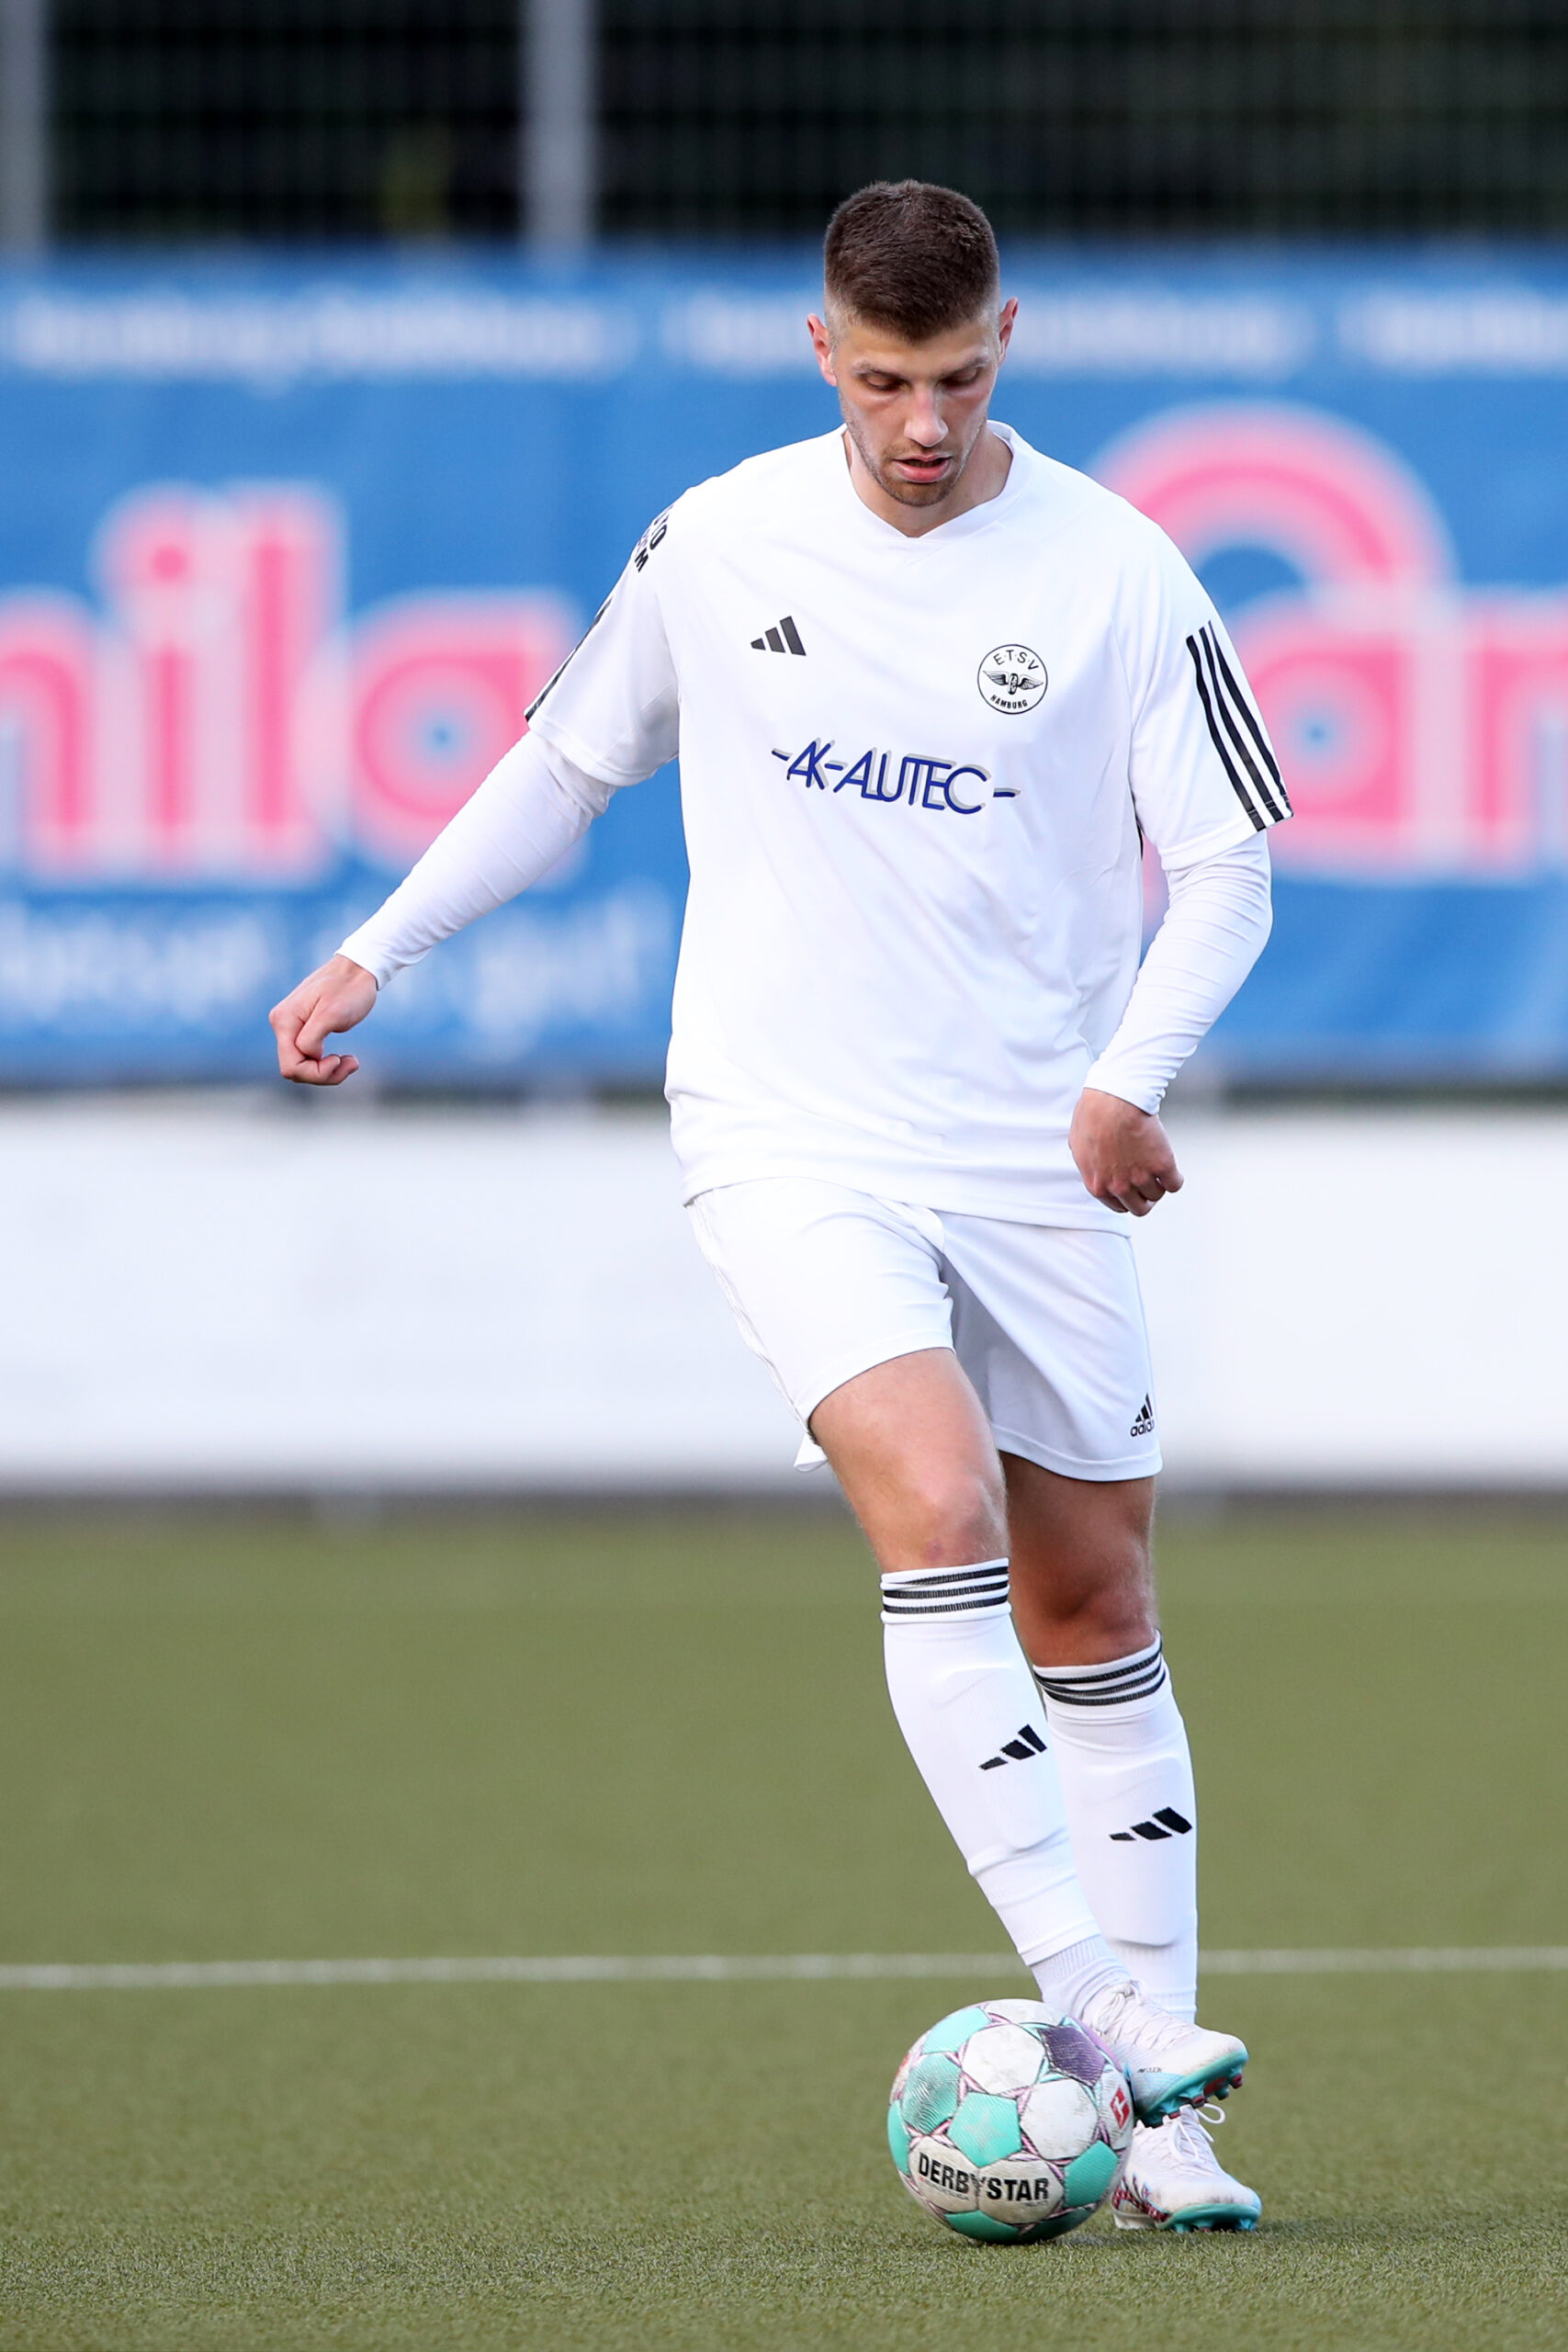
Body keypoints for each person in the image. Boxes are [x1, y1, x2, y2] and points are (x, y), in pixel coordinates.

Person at [271, 180, 1288, 2233]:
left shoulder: (1117, 568)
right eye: (887, 380)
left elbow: (1230, 868)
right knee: (936, 1508)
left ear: (1008, 339)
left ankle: (1162, 2135)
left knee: (1092, 1597)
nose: (923, 422)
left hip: (1030, 1143)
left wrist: (1127, 1078)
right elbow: (566, 764)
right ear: (821, 349)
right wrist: (381, 944)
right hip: (786, 1127)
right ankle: (1101, 2006)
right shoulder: (720, 540)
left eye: (959, 378)